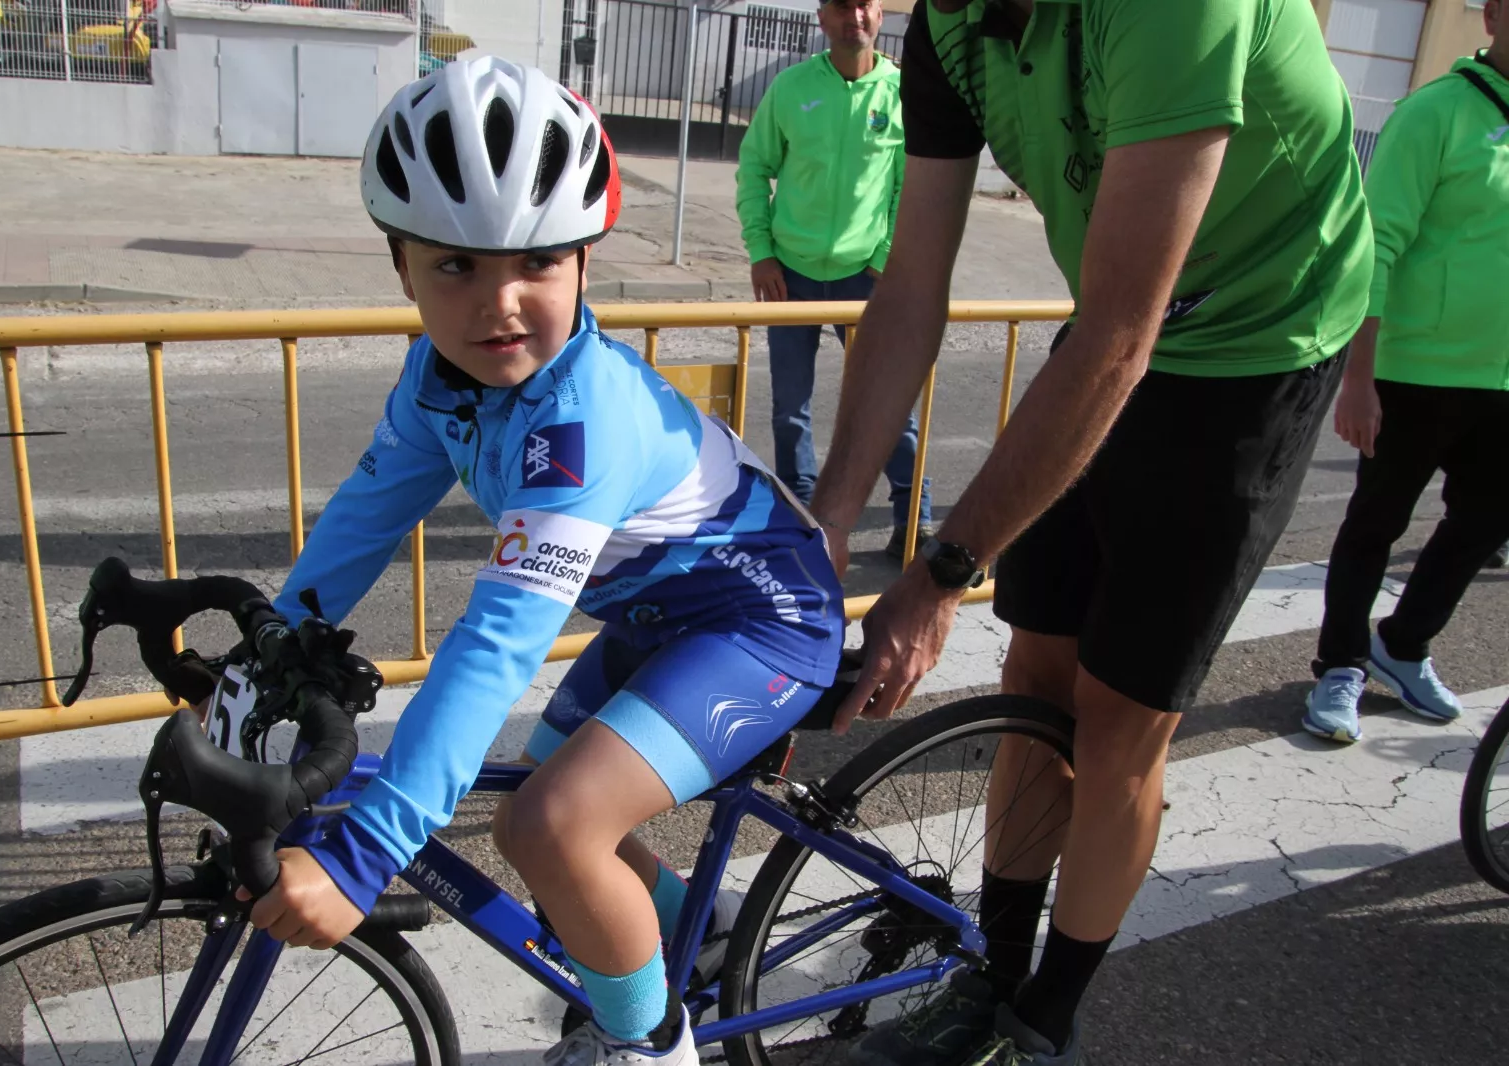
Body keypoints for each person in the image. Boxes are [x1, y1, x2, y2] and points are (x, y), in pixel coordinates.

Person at [238, 56, 846, 1066]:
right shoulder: (440, 380)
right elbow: (362, 520)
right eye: (455, 268)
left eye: (537, 264)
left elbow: (495, 648)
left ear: (582, 264)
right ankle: (717, 927)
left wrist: (364, 851)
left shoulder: (579, 422)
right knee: (531, 826)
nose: (500, 304)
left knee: (555, 823)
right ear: (400, 269)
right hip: (660, 616)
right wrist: (268, 647)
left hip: (761, 619)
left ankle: (650, 1045)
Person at [811, 2, 1372, 1064]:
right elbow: (914, 280)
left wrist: (938, 575)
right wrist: (830, 515)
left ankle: (1042, 1019)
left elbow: (1120, 333)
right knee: (1037, 682)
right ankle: (989, 973)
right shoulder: (952, 24)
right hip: (1127, 323)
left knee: (1118, 716)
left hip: (1258, 340)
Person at [1303, 0, 1509, 744]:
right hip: (1416, 372)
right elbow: (1376, 244)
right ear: (1491, 15)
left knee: (1486, 521)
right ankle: (1341, 664)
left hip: (1503, 383)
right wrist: (1358, 377)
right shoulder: (1437, 114)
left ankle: (1405, 643)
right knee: (1376, 524)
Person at [735, 0, 933, 561]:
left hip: (867, 279)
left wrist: (887, 258)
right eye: (843, 5)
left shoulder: (901, 92)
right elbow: (754, 167)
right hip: (790, 274)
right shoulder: (792, 87)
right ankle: (804, 524)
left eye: (866, 4)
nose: (856, 16)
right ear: (823, 17)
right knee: (789, 409)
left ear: (879, 16)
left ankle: (913, 521)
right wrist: (762, 253)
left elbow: (912, 184)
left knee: (889, 404)